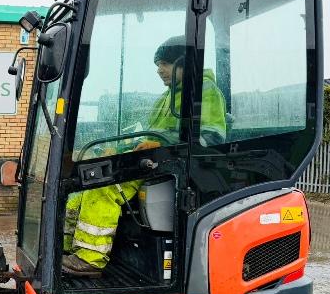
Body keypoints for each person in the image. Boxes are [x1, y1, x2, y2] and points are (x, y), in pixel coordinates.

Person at [62, 35, 226, 278]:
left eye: (165, 64)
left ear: (184, 62)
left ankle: (91, 259)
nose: (160, 71)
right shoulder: (168, 96)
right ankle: (69, 251)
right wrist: (117, 151)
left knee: (103, 189)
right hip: (154, 161)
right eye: (158, 65)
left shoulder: (203, 91)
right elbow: (150, 134)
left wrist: (160, 143)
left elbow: (210, 137)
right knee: (82, 187)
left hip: (173, 168)